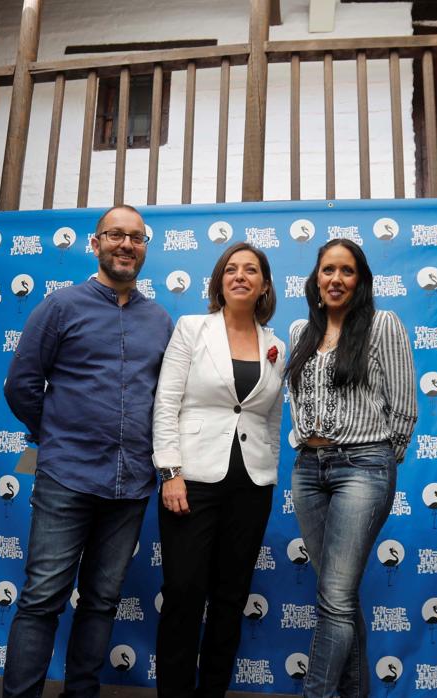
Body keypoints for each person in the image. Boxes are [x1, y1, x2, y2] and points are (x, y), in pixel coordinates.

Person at [2, 204, 173, 698]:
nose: (125, 245)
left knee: (102, 601)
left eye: (136, 238)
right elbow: (22, 385)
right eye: (115, 235)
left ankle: (82, 693)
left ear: (144, 249)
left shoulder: (160, 320)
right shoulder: (60, 306)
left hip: (131, 484)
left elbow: (164, 400)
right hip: (66, 477)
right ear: (95, 244)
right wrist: (55, 435)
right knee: (41, 600)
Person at [151, 242, 286, 698]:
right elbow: (166, 401)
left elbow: (269, 419)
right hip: (191, 482)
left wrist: (270, 470)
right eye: (232, 269)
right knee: (184, 595)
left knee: (230, 601)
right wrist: (170, 472)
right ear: (219, 280)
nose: (241, 276)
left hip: (251, 487)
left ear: (264, 284)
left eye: (251, 270)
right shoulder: (192, 329)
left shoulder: (276, 345)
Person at [285, 238, 417, 698]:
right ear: (315, 279)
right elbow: (297, 403)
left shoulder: (383, 325)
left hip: (363, 467)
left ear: (359, 280)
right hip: (307, 471)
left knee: (335, 599)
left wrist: (378, 460)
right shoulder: (300, 330)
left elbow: (403, 408)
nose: (335, 279)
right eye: (327, 270)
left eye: (346, 271)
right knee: (337, 599)